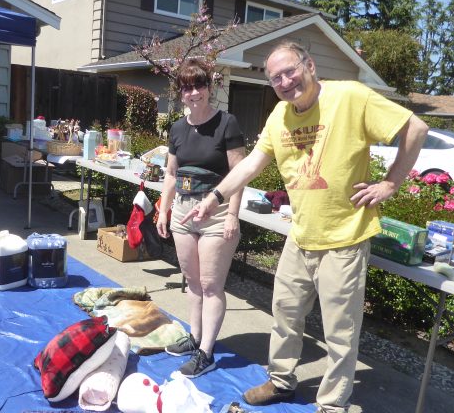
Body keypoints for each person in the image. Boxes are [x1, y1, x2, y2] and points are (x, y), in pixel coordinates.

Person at [181, 41, 428, 412]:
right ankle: (281, 381)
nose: (285, 81)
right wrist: (214, 199)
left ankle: (331, 404)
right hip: (301, 235)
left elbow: (416, 128)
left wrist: (391, 182)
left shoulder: (350, 97)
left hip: (345, 238)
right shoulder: (280, 116)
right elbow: (249, 166)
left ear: (309, 65)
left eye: (290, 71)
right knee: (284, 314)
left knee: (340, 333)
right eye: (275, 77)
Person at [156, 58, 246, 378]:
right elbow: (170, 174)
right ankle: (194, 338)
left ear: (209, 88)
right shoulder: (178, 128)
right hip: (182, 211)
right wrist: (164, 210)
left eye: (199, 85)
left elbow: (239, 174)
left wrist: (233, 215)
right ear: (181, 93)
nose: (194, 92)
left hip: (217, 213)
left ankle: (206, 351)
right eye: (187, 87)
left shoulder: (226, 123)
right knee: (192, 282)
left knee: (210, 285)